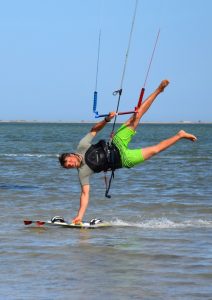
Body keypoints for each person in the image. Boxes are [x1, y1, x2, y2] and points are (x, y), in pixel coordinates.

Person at [59, 80, 197, 224]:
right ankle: (180, 135)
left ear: (71, 155)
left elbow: (94, 130)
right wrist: (80, 216)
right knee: (155, 150)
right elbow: (85, 194)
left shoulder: (82, 146)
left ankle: (158, 90)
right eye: (68, 166)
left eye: (69, 161)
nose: (71, 164)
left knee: (136, 116)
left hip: (117, 142)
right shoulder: (82, 173)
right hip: (124, 160)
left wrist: (106, 120)